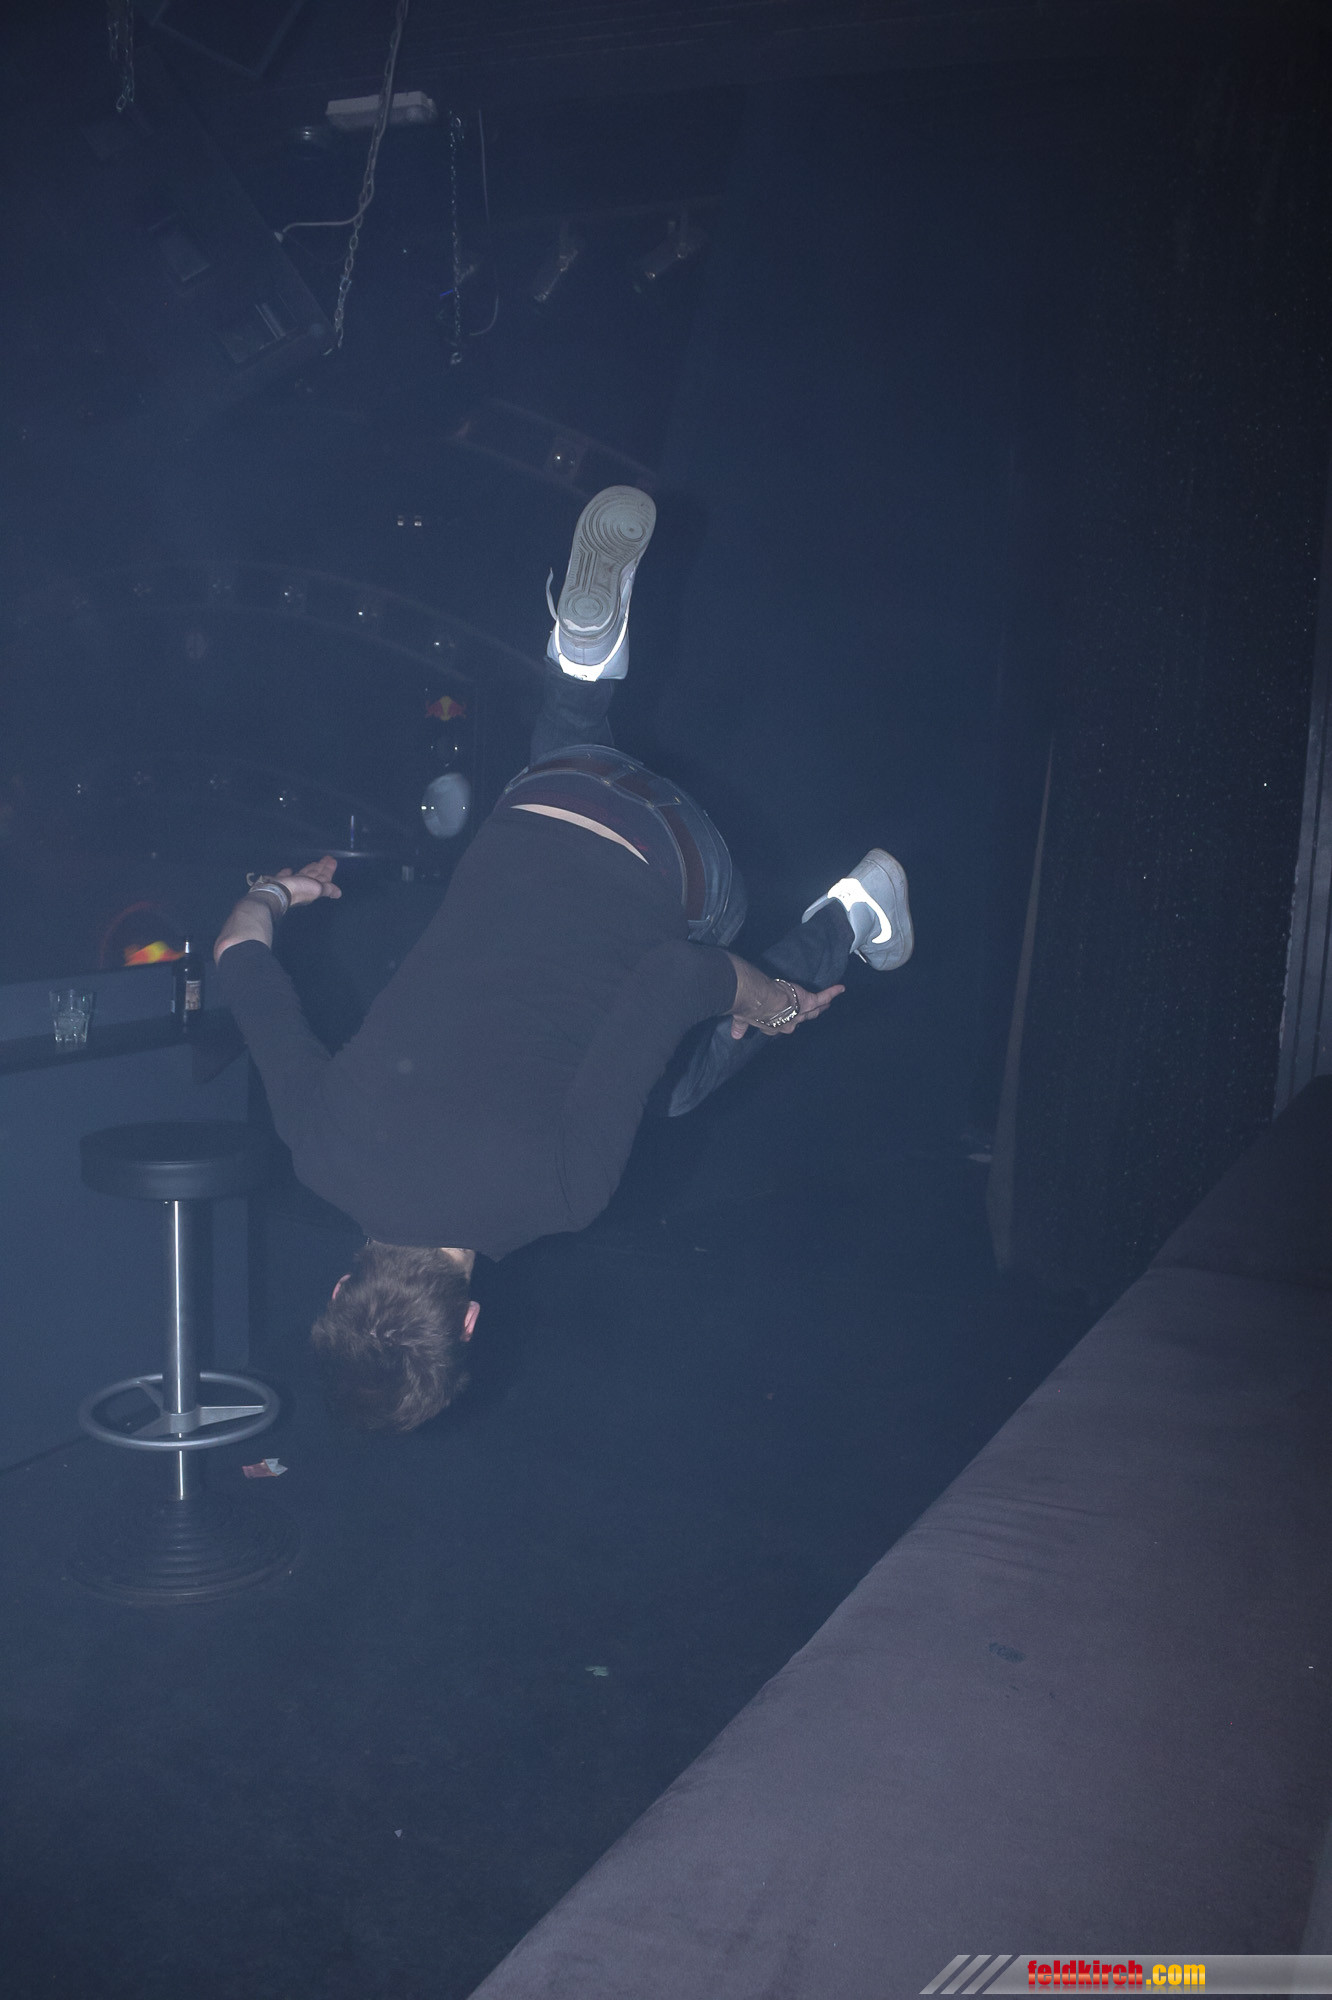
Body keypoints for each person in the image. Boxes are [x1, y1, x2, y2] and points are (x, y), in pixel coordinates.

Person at [213, 489, 913, 1433]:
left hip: (680, 861)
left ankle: (852, 914)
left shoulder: (561, 1196)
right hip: (544, 800)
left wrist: (779, 1006)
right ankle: (580, 663)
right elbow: (238, 958)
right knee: (567, 775)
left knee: (679, 1085)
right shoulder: (315, 1146)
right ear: (342, 1286)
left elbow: (678, 976)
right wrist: (276, 892)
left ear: (467, 1318)